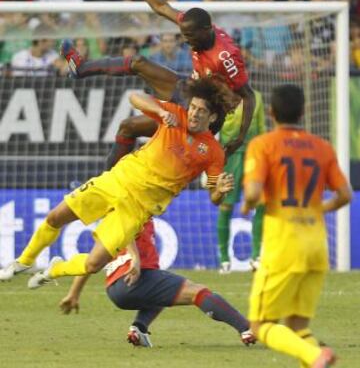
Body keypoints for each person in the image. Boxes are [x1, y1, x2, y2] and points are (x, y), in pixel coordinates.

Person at [0, 78, 235, 290]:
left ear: (212, 117)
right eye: (192, 107)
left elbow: (214, 196)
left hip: (137, 209)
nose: (193, 113)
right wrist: (160, 112)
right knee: (55, 217)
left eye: (201, 111)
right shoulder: (173, 114)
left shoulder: (213, 153)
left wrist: (220, 191)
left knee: (93, 264)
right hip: (116, 181)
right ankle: (24, 261)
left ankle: (55, 269)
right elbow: (135, 98)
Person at [61, 0, 255, 164]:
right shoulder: (195, 26)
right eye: (184, 34)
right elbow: (160, 6)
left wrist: (239, 137)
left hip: (204, 112)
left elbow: (248, 95)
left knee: (135, 131)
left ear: (206, 30)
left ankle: (110, 181)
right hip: (189, 90)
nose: (186, 40)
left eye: (190, 36)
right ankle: (81, 68)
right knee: (137, 67)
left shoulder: (225, 57)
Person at [241, 84, 352, 367]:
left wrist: (247, 204)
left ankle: (316, 355)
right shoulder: (322, 147)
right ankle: (316, 355)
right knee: (298, 328)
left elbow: (253, 193)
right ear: (303, 112)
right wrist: (317, 209)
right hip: (316, 245)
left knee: (260, 326)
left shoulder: (263, 144)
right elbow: (345, 195)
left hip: (284, 244)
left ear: (271, 112)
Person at [59, 219, 256, 347]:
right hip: (134, 278)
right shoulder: (138, 208)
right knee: (198, 292)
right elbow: (126, 227)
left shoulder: (113, 222)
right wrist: (135, 258)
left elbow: (90, 260)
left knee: (161, 291)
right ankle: (247, 328)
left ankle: (139, 328)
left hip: (115, 289)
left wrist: (73, 294)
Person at [217, 90, 265, 273]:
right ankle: (224, 260)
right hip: (230, 155)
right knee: (226, 205)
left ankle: (256, 256)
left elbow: (261, 128)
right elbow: (216, 127)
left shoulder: (256, 96)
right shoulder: (223, 95)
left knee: (261, 202)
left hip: (253, 155)